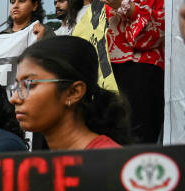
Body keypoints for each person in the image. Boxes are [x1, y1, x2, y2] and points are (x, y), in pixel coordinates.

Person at [9, 36, 130, 149]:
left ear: (73, 92)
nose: (14, 99)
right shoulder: (42, 164)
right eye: (16, 86)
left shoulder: (109, 161)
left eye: (29, 84)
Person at [104, 0, 165, 144]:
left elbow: (156, 34)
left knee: (135, 142)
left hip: (139, 69)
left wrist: (125, 7)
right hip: (104, 70)